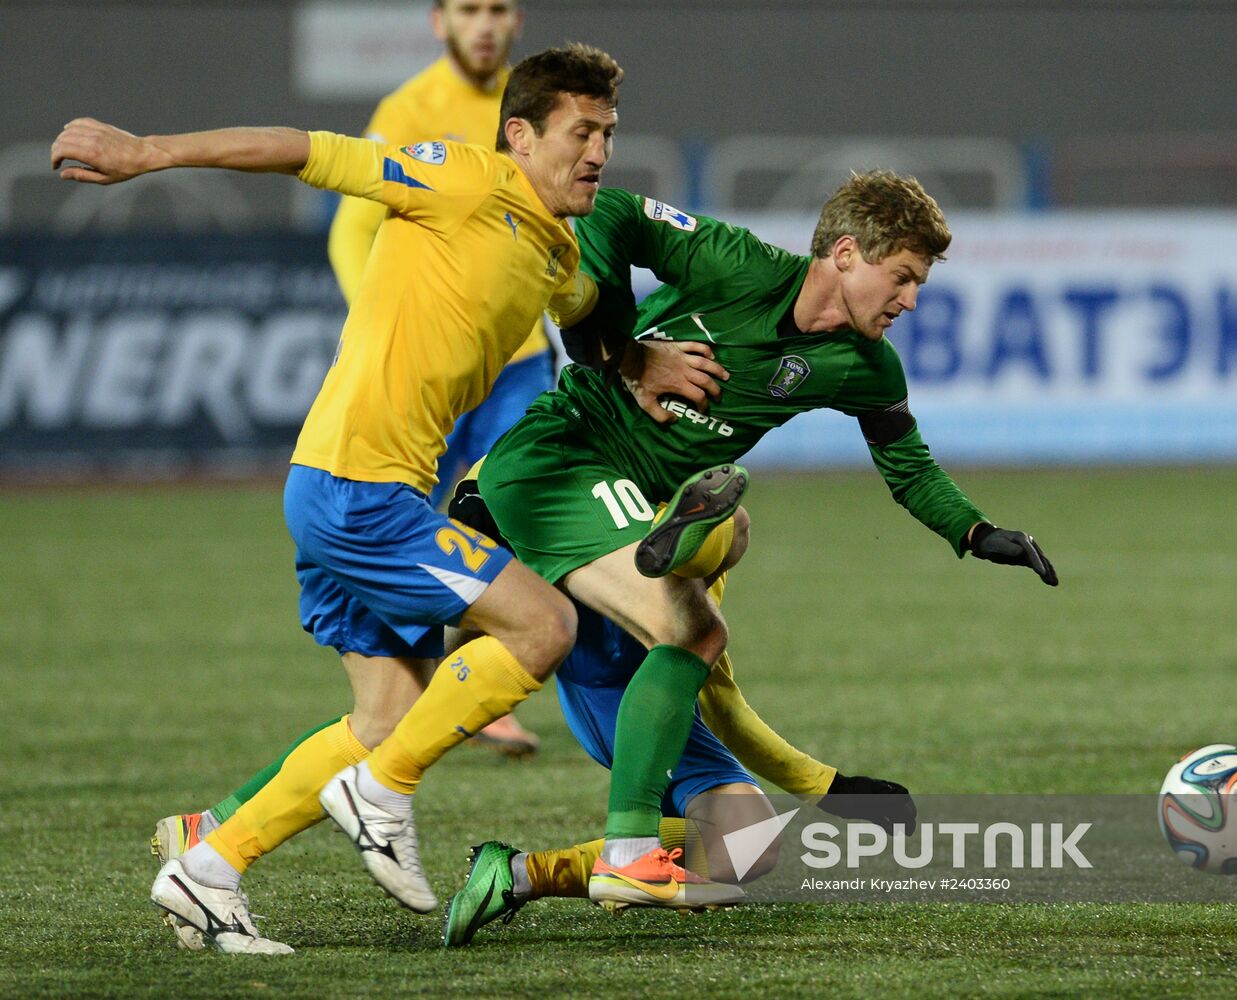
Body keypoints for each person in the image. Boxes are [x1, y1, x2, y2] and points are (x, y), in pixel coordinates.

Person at [50, 44, 661, 955]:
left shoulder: (559, 250)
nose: (600, 152)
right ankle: (384, 793)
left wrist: (649, 361)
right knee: (542, 626)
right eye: (582, 131)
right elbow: (302, 148)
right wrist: (149, 155)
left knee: (381, 717)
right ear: (521, 134)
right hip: (356, 487)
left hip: (356, 486)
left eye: (608, 133)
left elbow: (588, 322)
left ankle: (206, 869)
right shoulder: (454, 175)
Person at [468, 174, 1060, 912]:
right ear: (845, 254)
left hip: (634, 529)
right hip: (569, 464)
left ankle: (520, 873)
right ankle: (625, 850)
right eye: (902, 277)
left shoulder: (864, 365)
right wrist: (620, 348)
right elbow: (612, 210)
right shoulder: (731, 262)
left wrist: (973, 531)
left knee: (746, 846)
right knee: (696, 606)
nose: (910, 300)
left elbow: (907, 466)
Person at [438, 477, 918, 945]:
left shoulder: (694, 580)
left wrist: (832, 789)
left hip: (651, 703)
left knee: (748, 844)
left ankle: (525, 871)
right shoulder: (593, 514)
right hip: (611, 702)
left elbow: (723, 703)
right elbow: (525, 457)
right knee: (744, 839)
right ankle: (540, 872)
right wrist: (478, 496)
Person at [331, 0, 542, 756]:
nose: (483, 24)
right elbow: (353, 227)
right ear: (438, 21)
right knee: (407, 518)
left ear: (516, 19)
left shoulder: (535, 103)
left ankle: (477, 684)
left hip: (517, 364)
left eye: (497, 9)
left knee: (510, 510)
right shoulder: (411, 108)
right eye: (468, 9)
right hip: (430, 368)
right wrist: (394, 331)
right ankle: (405, 690)